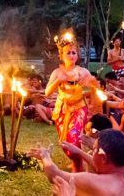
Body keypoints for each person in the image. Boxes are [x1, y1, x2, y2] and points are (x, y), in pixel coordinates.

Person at [45, 32, 99, 172]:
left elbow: (95, 87)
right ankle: (78, 160)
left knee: (73, 138)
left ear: (77, 55)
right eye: (68, 52)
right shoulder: (57, 72)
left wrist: (93, 104)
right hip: (62, 109)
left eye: (74, 52)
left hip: (78, 108)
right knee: (64, 143)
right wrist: (59, 80)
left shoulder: (83, 71)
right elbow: (47, 93)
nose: (71, 55)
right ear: (62, 55)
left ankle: (78, 167)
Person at [30, 129, 124, 195]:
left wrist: (45, 156)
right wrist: (79, 151)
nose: (92, 154)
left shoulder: (93, 182)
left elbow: (55, 175)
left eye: (94, 150)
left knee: (60, 189)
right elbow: (104, 165)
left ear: (104, 158)